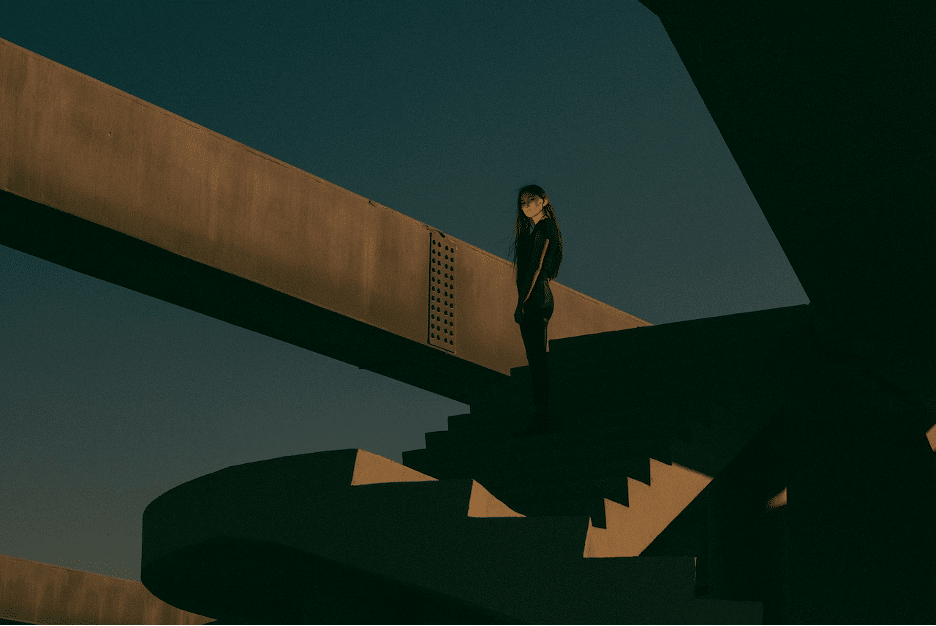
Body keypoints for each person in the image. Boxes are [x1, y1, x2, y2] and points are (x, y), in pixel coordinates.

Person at [509, 184, 564, 437]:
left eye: (531, 200)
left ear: (544, 200)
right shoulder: (538, 229)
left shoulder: (545, 227)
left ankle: (542, 414)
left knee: (537, 359)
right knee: (535, 358)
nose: (526, 206)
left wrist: (522, 301)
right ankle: (541, 412)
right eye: (522, 202)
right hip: (538, 295)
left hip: (536, 297)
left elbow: (536, 266)